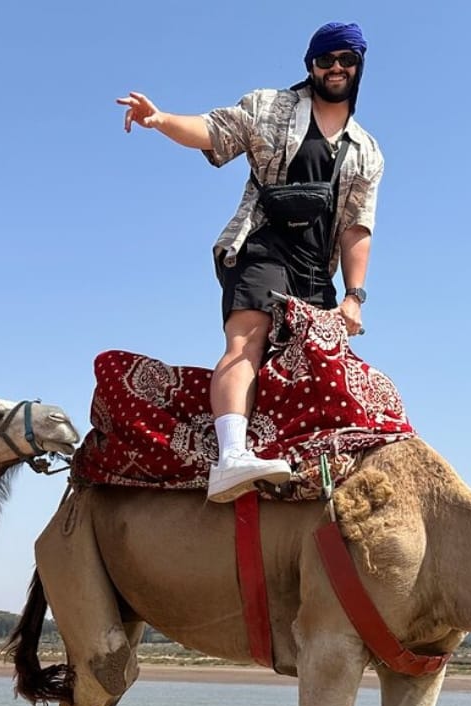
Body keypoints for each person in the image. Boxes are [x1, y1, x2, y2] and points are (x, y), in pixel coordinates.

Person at [118, 22, 383, 502]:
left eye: (346, 60)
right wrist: (161, 119)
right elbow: (214, 130)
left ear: (359, 66)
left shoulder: (366, 150)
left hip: (314, 267)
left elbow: (356, 228)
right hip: (261, 243)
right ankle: (231, 457)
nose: (336, 68)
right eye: (326, 60)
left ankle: (312, 466)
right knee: (248, 337)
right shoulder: (270, 106)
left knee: (324, 366)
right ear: (311, 66)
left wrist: (354, 296)